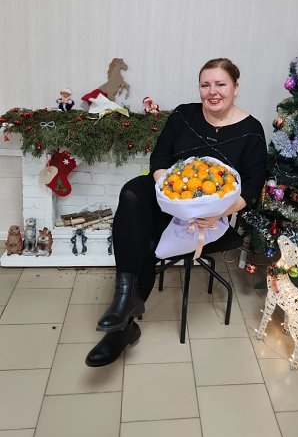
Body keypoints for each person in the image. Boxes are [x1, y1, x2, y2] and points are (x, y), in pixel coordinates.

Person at [85, 58, 267, 367]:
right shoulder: (184, 115)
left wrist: (218, 212)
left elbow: (251, 187)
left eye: (220, 84)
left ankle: (122, 329)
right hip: (168, 198)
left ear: (235, 88)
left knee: (142, 238)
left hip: (209, 218)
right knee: (132, 193)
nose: (212, 92)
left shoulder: (251, 130)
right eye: (205, 85)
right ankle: (124, 300)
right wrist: (168, 192)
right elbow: (159, 158)